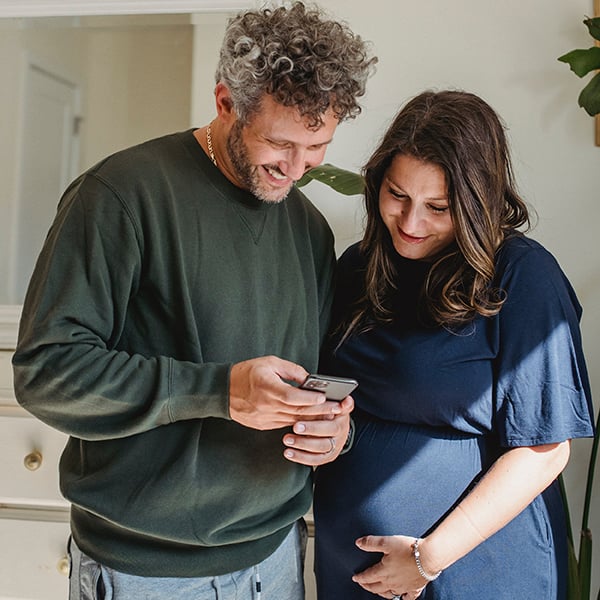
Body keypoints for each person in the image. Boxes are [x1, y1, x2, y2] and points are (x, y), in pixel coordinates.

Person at [12, 3, 376, 598]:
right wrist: (221, 391)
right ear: (226, 102)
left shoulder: (309, 230)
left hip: (278, 555)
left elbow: (314, 379)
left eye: (316, 150)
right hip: (144, 571)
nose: (296, 169)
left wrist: (334, 433)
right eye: (279, 145)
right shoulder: (120, 196)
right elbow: (47, 373)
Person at [312, 90, 595, 600]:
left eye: (438, 207)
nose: (411, 223)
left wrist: (427, 559)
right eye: (397, 195)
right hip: (347, 571)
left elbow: (544, 450)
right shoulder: (359, 265)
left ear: (477, 202)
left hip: (472, 571)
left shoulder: (522, 276)